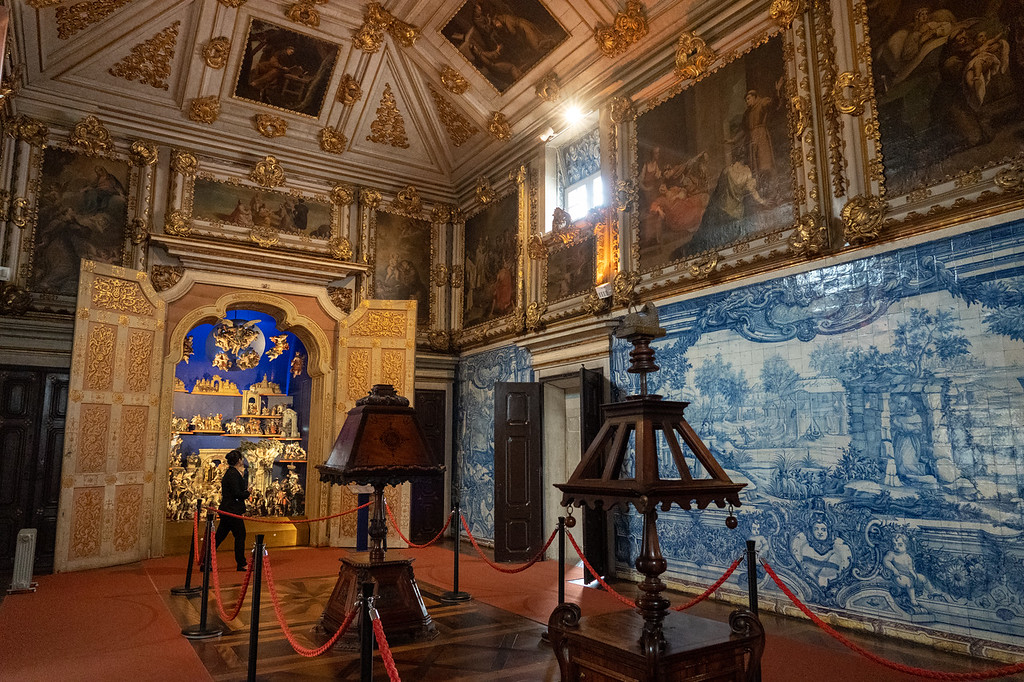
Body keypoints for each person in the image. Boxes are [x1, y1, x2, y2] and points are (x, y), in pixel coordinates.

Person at [210, 449, 249, 571]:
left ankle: (207, 560)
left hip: (228, 509)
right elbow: (237, 493)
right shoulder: (233, 474)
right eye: (241, 458)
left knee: (220, 536)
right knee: (240, 535)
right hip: (232, 510)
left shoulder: (232, 473)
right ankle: (241, 563)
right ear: (238, 460)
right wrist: (247, 493)